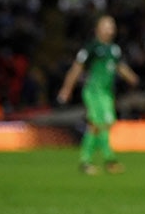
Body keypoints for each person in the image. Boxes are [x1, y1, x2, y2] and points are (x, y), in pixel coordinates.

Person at [57, 15, 140, 175]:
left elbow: (119, 66)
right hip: (93, 91)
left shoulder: (114, 49)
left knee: (103, 125)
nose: (111, 29)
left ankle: (89, 160)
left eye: (112, 26)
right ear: (98, 29)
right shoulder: (91, 48)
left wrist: (131, 77)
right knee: (97, 124)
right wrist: (66, 88)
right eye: (107, 26)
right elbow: (76, 68)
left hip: (107, 93)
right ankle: (105, 160)